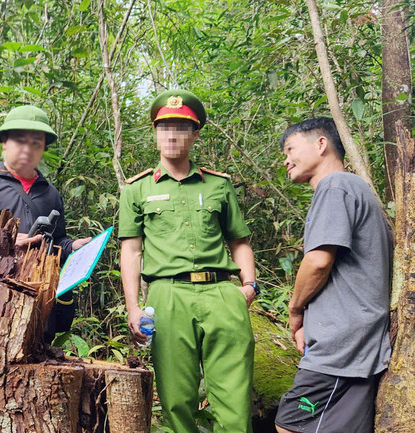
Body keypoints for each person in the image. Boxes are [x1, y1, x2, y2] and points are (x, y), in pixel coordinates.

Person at [119, 89, 257, 433]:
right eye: (164, 127)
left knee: (234, 404)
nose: (172, 135)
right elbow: (131, 252)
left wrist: (249, 286)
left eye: (181, 127)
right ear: (155, 133)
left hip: (221, 294)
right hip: (167, 297)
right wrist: (134, 308)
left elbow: (239, 241)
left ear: (195, 134)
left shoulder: (218, 185)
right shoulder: (136, 190)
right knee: (177, 402)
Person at [274, 118, 391, 433]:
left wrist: (295, 309)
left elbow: (319, 262)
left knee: (289, 423)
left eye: (290, 149)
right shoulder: (354, 188)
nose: (285, 160)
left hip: (340, 345)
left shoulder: (335, 185)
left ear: (321, 144)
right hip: (358, 340)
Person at [0, 105, 90, 344]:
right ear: (4, 142)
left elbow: (58, 240)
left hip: (39, 300)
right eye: (20, 141)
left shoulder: (50, 192)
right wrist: (5, 240)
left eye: (36, 143)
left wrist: (73, 246)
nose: (28, 149)